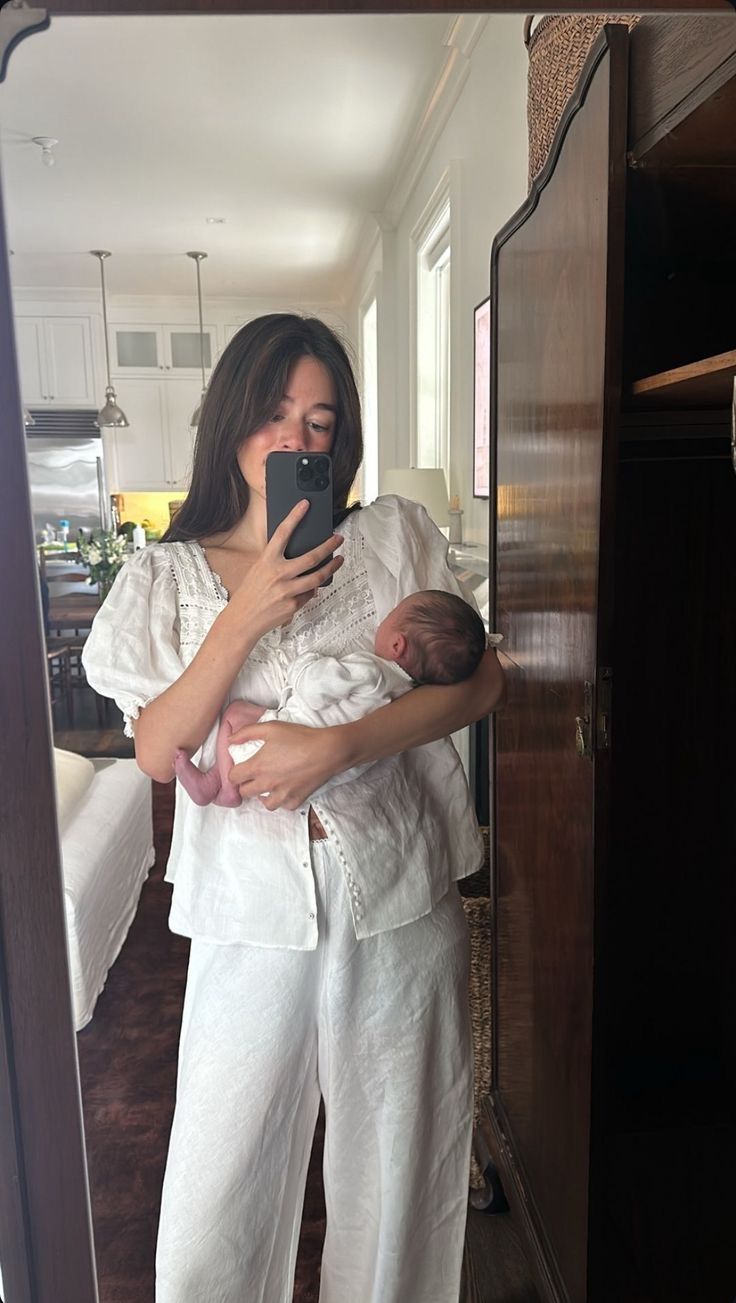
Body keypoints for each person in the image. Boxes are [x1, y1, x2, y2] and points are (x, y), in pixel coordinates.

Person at [82, 312, 505, 1303]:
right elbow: (157, 748)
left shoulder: (390, 536)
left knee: (402, 1172)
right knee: (219, 1185)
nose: (297, 442)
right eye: (276, 414)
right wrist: (245, 611)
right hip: (248, 916)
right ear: (230, 416)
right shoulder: (164, 575)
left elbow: (479, 687)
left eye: (320, 422)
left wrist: (338, 746)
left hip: (398, 900)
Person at [174, 588, 488, 807]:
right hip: (321, 779)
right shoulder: (407, 693)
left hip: (287, 739)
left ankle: (222, 783)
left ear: (398, 646)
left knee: (236, 713)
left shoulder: (370, 671)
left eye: (391, 616)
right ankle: (223, 782)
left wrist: (304, 663)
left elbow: (314, 688)